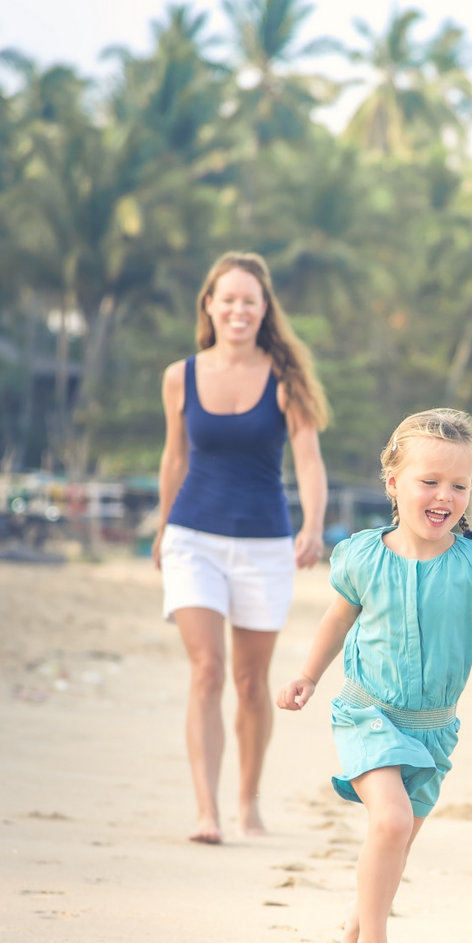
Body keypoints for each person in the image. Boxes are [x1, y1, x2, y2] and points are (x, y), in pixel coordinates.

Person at [277, 409, 472, 943]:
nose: (445, 495)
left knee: (396, 842)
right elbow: (336, 622)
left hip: (434, 730)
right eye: (430, 481)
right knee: (389, 821)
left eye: (460, 486)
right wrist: (308, 676)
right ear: (394, 483)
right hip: (368, 712)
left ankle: (350, 936)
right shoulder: (363, 557)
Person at [153, 251, 328, 844]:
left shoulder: (286, 380)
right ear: (209, 304)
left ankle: (248, 803)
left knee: (252, 684)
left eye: (249, 300)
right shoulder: (180, 375)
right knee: (207, 669)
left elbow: (308, 459)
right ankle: (208, 812)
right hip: (192, 537)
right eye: (227, 298)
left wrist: (313, 524)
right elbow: (175, 456)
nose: (238, 309)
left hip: (263, 544)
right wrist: (161, 526)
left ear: (264, 308)